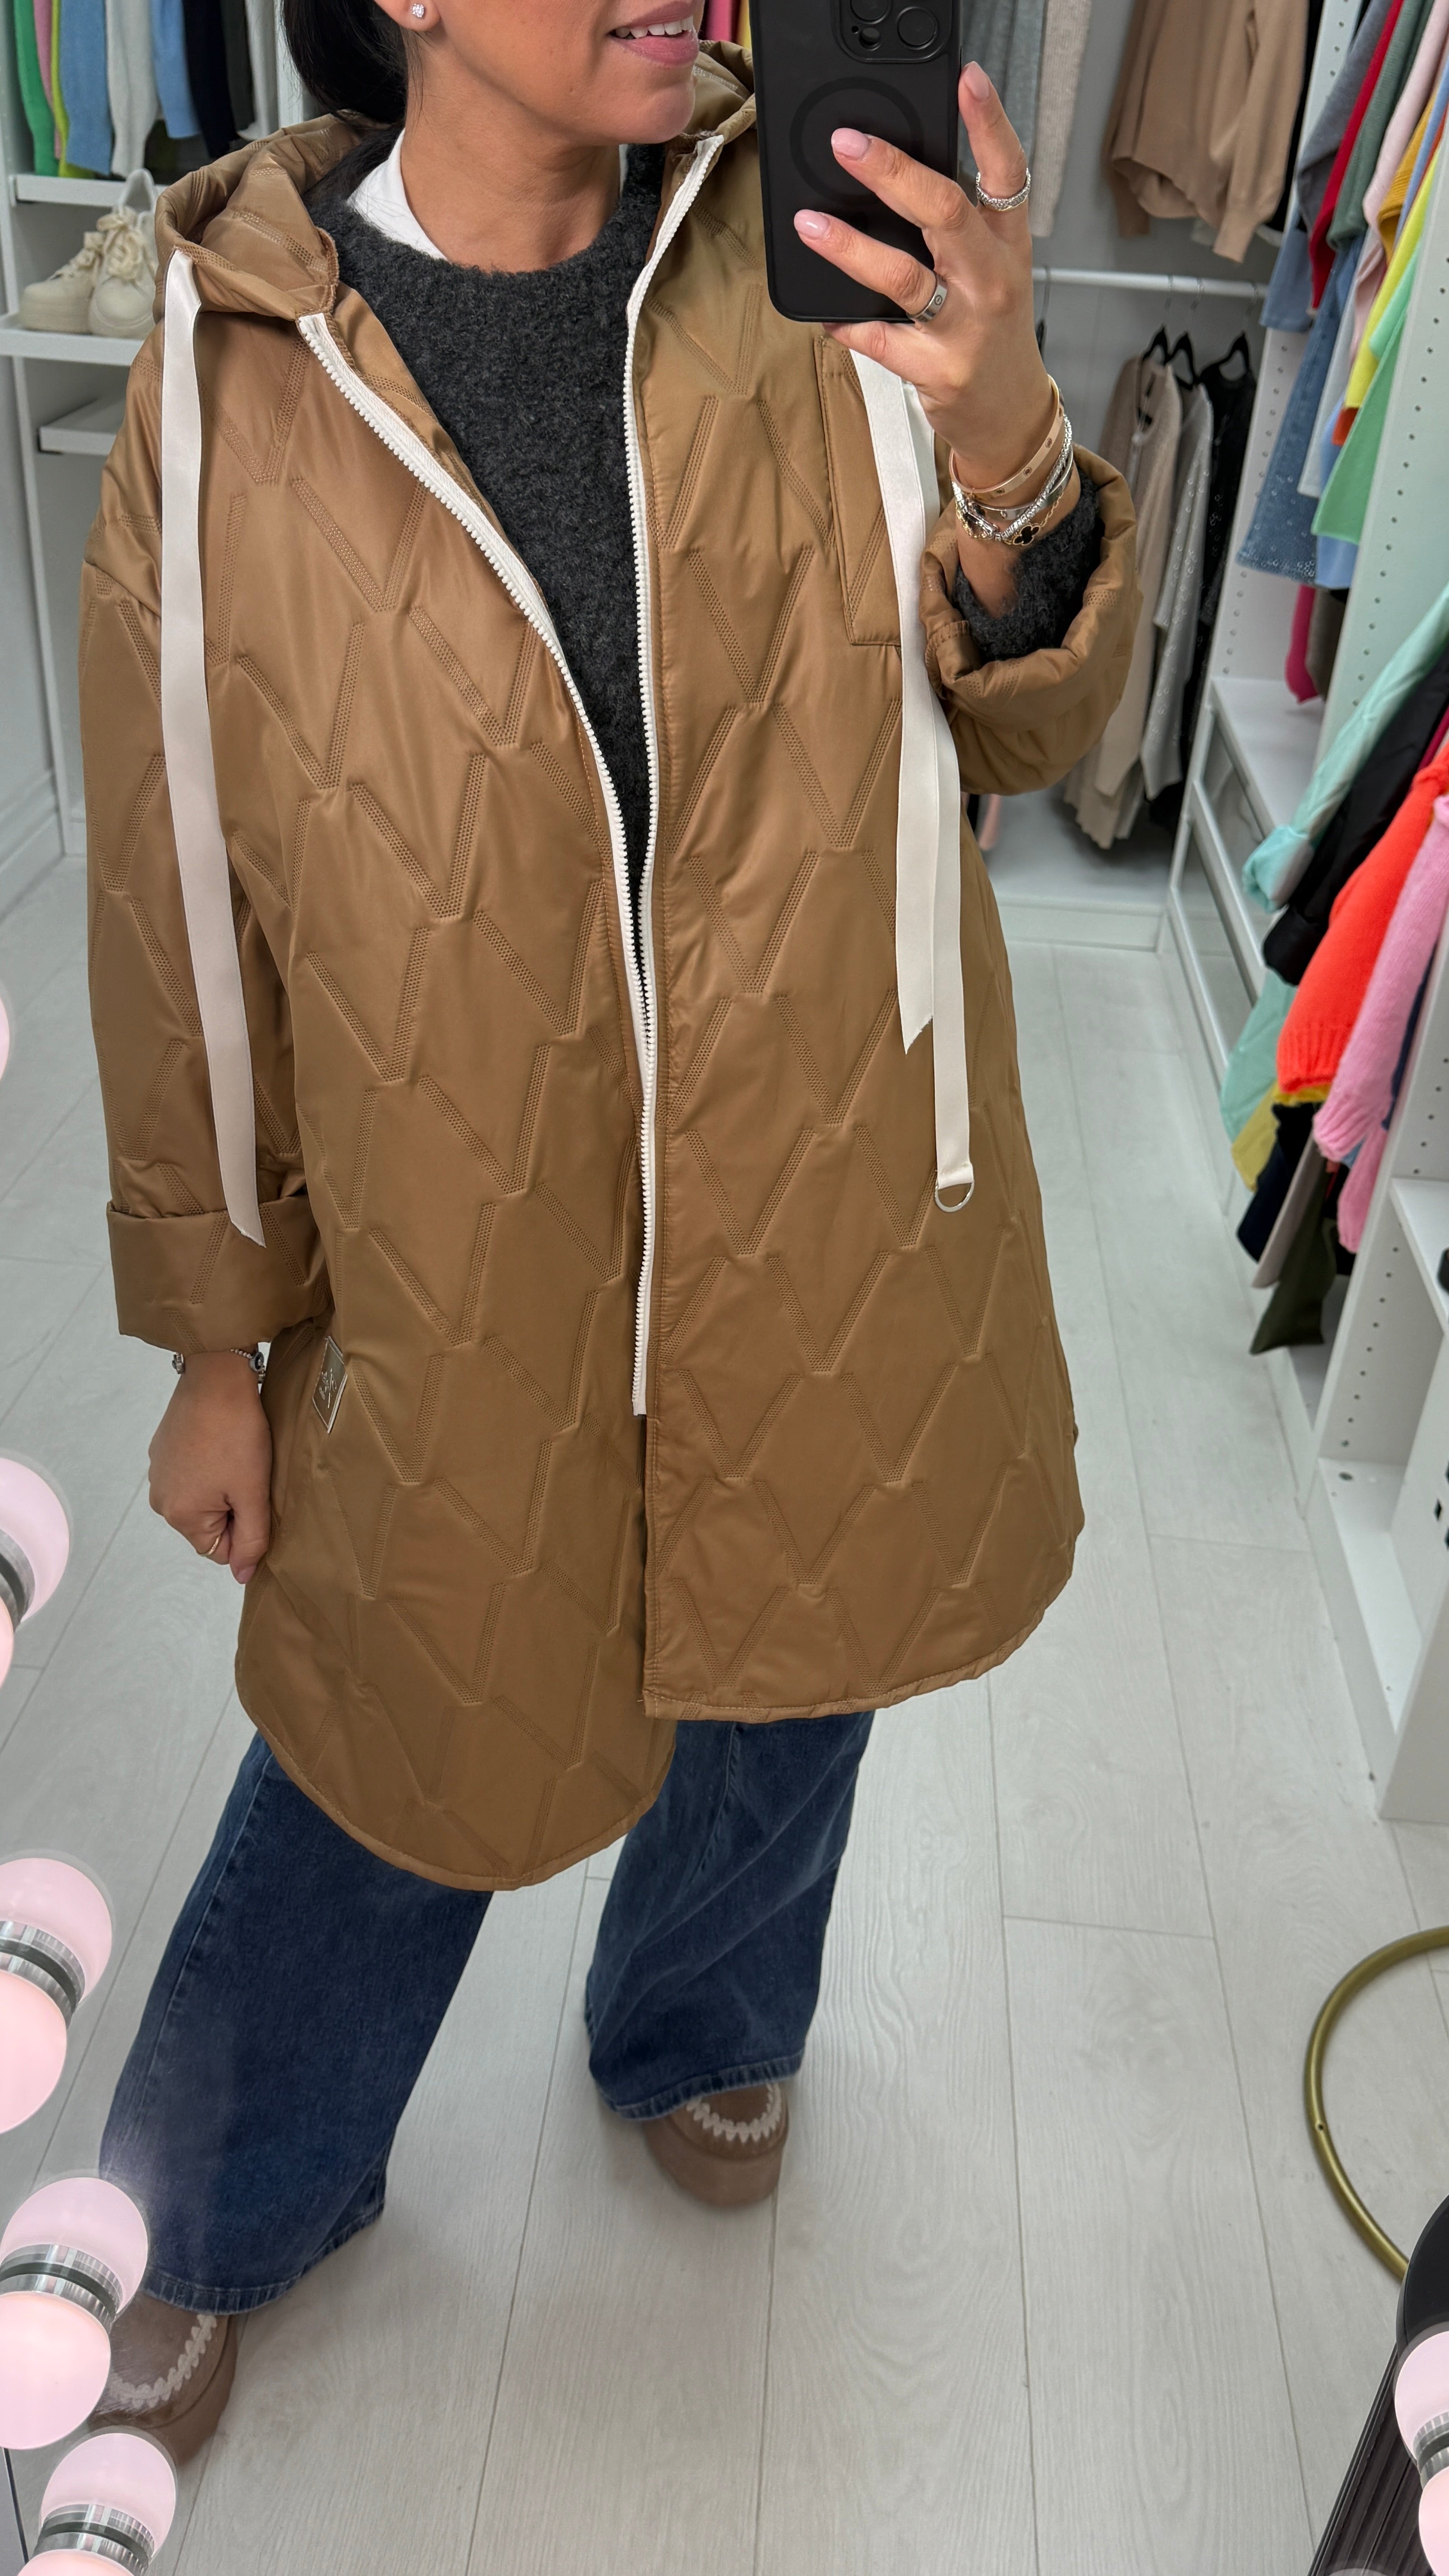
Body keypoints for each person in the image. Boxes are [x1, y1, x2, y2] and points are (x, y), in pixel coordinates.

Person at [79, 0, 1137, 2461]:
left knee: (798, 1644)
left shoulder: (819, 253)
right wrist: (219, 1346)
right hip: (459, 1219)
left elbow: (1027, 725)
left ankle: (700, 2022)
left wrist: (1005, 432)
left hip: (819, 1168)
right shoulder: (237, 375)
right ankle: (222, 2192)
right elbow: (184, 924)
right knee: (406, 1705)